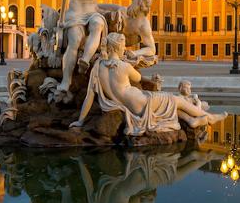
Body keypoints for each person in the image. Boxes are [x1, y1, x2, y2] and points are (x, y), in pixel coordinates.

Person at [74, 33, 225, 134]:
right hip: (143, 102)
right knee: (176, 100)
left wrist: (80, 121)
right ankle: (209, 117)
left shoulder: (98, 67)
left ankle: (192, 120)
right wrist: (136, 62)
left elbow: (89, 96)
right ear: (117, 47)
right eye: (123, 45)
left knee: (171, 106)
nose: (125, 48)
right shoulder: (124, 67)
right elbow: (139, 78)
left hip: (132, 106)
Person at [56, 0, 109, 96]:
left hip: (92, 12)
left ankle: (85, 60)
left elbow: (95, 2)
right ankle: (66, 80)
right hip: (76, 13)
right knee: (75, 40)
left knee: (98, 24)